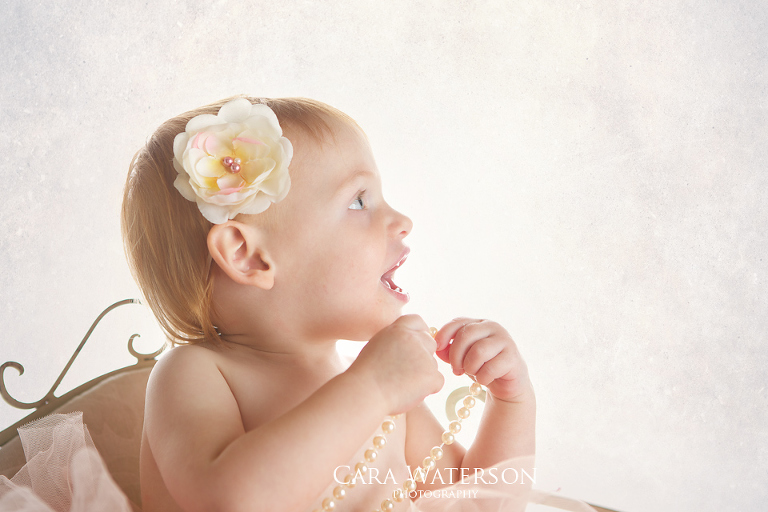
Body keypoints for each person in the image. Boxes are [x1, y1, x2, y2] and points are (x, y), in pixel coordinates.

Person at [119, 96, 537, 512]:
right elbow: (229, 500)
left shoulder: (381, 390)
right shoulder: (195, 374)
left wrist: (510, 402)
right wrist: (373, 388)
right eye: (358, 201)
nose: (402, 221)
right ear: (249, 256)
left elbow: (477, 506)